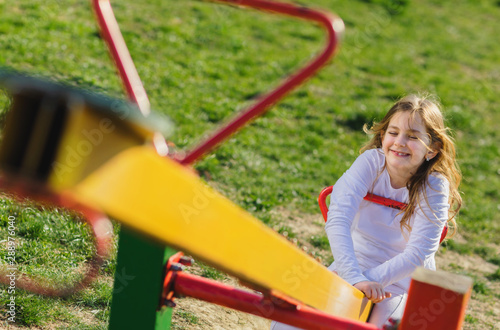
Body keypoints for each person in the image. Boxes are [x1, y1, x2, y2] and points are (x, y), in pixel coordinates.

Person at [271, 94, 462, 329]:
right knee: (290, 322)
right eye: (393, 133)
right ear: (383, 137)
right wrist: (355, 278)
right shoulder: (371, 163)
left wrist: (368, 281)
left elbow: (417, 255)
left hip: (401, 283)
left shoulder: (434, 186)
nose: (400, 142)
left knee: (385, 324)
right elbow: (338, 219)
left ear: (432, 149)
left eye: (412, 137)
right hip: (352, 267)